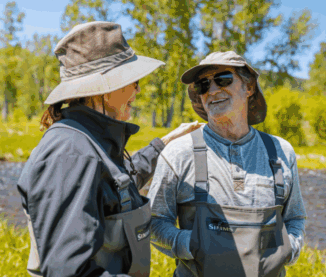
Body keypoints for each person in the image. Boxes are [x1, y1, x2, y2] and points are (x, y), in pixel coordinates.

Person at [16, 21, 200, 276]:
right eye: (133, 80)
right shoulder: (70, 154)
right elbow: (68, 271)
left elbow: (116, 190)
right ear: (105, 88)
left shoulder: (87, 140)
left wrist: (164, 144)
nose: (138, 89)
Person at [148, 51, 306, 276]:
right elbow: (154, 223)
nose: (212, 90)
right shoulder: (178, 153)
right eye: (203, 85)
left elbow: (295, 218)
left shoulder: (282, 152)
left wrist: (290, 249)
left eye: (223, 79)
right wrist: (191, 243)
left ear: (249, 87)